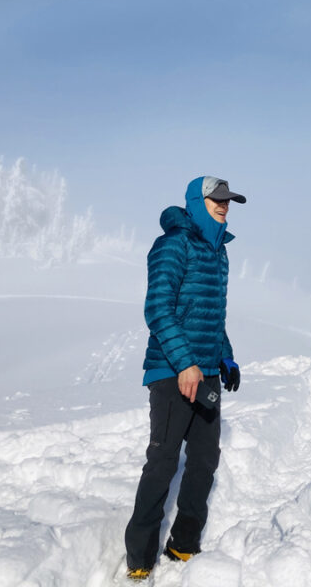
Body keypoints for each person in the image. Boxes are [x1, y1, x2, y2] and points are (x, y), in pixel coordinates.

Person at [124, 176, 246, 581]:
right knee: (162, 462)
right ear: (197, 201)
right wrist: (185, 363)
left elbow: (210, 316)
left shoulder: (218, 252)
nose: (224, 205)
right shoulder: (174, 243)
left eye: (229, 200)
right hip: (172, 372)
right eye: (217, 199)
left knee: (205, 460)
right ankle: (139, 557)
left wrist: (224, 357)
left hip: (206, 372)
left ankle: (184, 542)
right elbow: (157, 308)